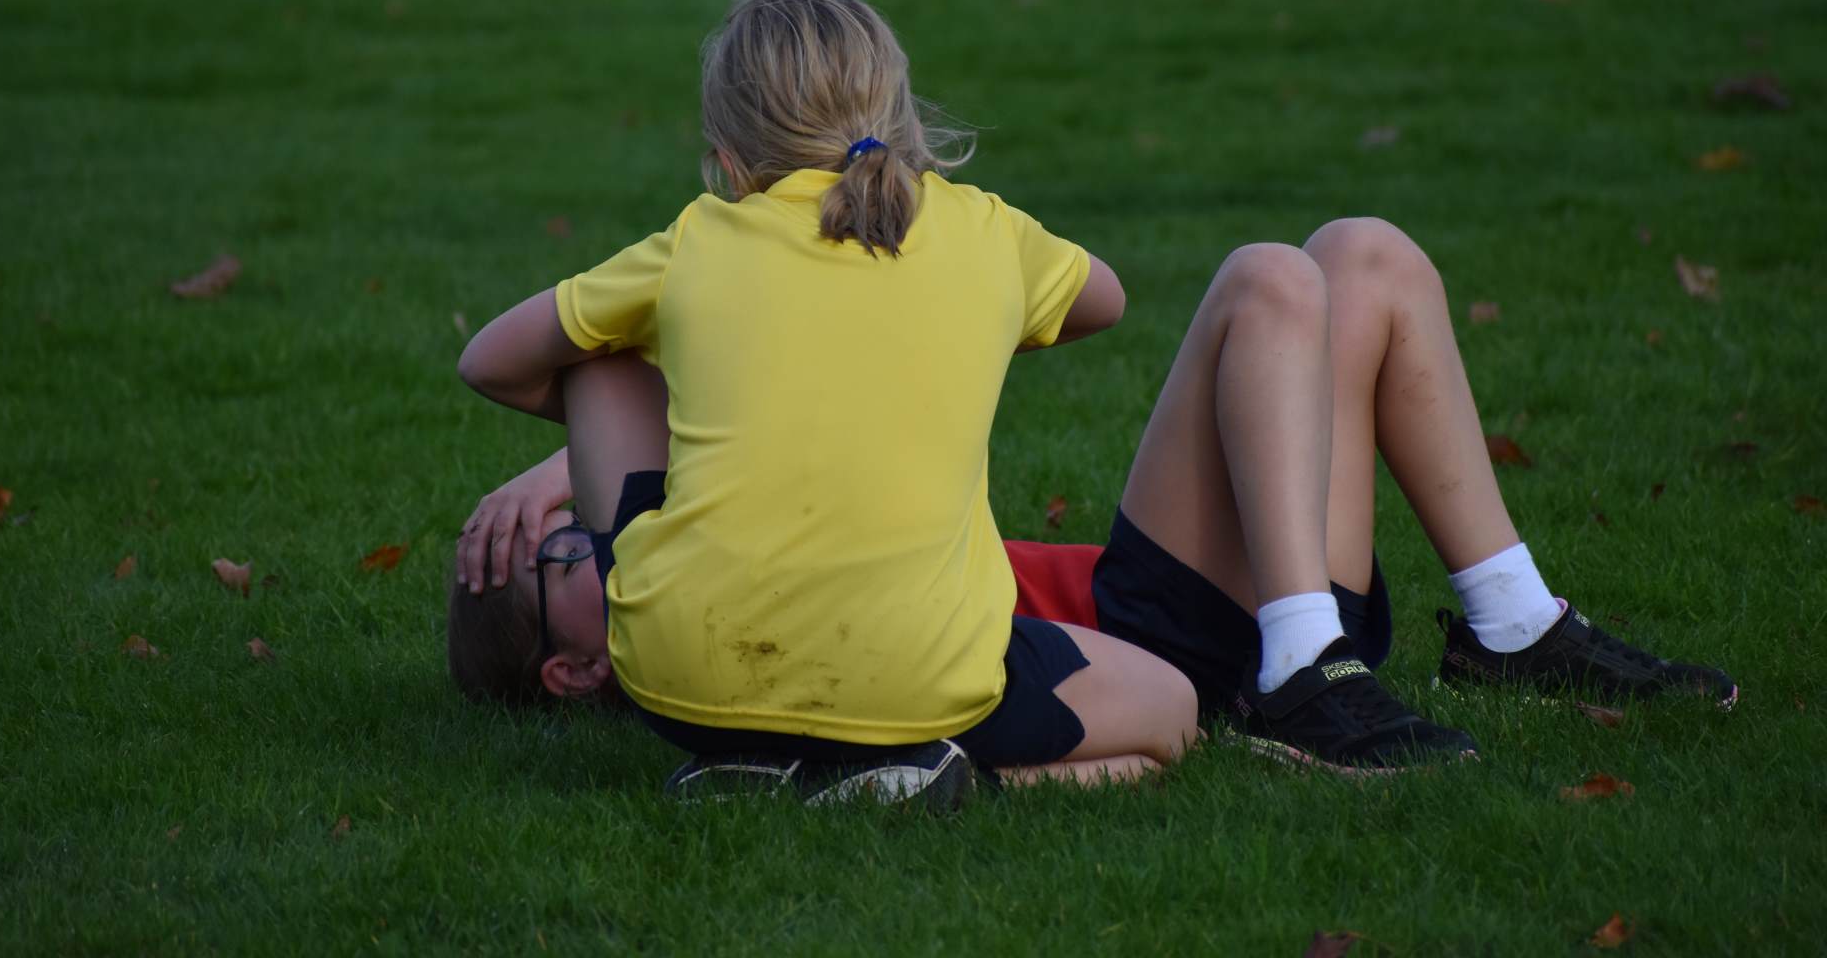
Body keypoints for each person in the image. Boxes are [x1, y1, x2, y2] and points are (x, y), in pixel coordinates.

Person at [452, 215, 1737, 788]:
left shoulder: (706, 534)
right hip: (1153, 634)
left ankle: (1512, 621)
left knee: (1367, 256)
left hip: (1217, 590)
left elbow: (770, 404)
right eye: (561, 558)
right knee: (1267, 282)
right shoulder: (741, 632)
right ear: (574, 668)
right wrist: (577, 467)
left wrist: (569, 469)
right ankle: (1303, 666)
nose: (584, 540)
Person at [454, 0, 1203, 803]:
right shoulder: (986, 229)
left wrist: (704, 401)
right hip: (919, 676)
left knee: (596, 357)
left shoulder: (698, 242)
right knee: (1171, 711)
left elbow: (489, 361)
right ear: (901, 114)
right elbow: (1107, 301)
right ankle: (937, 778)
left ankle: (767, 764)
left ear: (729, 158)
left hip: (685, 679)